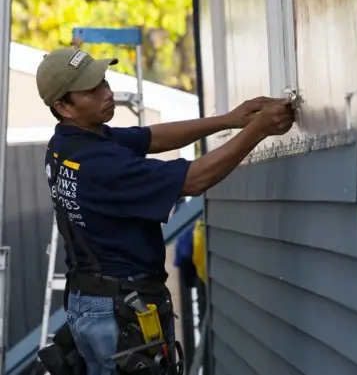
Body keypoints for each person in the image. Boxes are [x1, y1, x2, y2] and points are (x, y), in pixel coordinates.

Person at [36, 47, 294, 375]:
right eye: (92, 91)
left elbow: (149, 138)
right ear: (63, 106)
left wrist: (229, 120)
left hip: (92, 298)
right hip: (117, 310)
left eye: (104, 82)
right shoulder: (99, 164)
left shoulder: (66, 145)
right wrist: (258, 130)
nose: (108, 93)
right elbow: (194, 179)